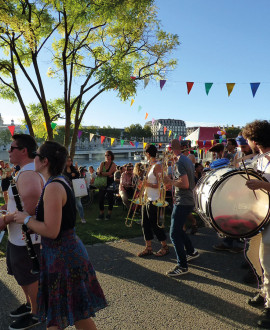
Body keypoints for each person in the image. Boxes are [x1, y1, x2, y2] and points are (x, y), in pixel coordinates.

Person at [14, 141, 107, 330]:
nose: (34, 158)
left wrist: (25, 220)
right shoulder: (57, 181)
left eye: (37, 155)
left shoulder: (53, 187)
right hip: (64, 253)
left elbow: (52, 230)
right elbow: (55, 223)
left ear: (45, 161)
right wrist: (34, 224)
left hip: (62, 257)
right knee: (74, 315)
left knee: (62, 316)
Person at [0, 134, 44, 330]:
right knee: (21, 274)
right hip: (17, 236)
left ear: (24, 151)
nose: (8, 151)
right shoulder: (22, 171)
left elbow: (33, 210)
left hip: (27, 237)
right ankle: (30, 304)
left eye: (12, 148)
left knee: (29, 276)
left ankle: (37, 313)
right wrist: (6, 212)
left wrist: (5, 219)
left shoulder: (28, 173)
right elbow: (19, 203)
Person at [241, 120, 270, 328]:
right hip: (264, 215)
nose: (247, 142)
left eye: (248, 139)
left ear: (255, 139)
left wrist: (260, 184)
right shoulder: (260, 158)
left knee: (267, 261)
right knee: (258, 257)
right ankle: (265, 292)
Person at [164, 139, 199, 276]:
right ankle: (191, 251)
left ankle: (182, 266)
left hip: (183, 201)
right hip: (186, 199)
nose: (167, 153)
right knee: (179, 230)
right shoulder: (186, 160)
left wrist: (169, 181)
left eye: (168, 150)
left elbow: (184, 184)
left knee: (174, 234)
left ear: (172, 149)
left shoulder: (179, 162)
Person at [137, 144, 169, 258]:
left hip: (155, 199)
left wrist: (147, 184)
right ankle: (148, 247)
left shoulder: (158, 166)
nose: (145, 155)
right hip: (147, 198)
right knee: (144, 224)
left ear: (148, 154)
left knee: (156, 225)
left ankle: (165, 246)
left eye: (145, 153)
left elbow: (160, 184)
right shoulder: (150, 165)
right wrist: (143, 185)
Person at [63, 157, 86, 224]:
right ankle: (70, 219)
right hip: (67, 188)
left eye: (70, 161)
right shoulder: (62, 169)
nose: (69, 162)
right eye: (68, 161)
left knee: (79, 204)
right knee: (68, 204)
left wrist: (76, 171)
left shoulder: (73, 168)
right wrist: (71, 175)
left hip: (75, 188)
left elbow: (77, 175)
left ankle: (82, 218)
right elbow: (64, 177)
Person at [96, 150, 117, 221]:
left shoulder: (113, 164)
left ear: (111, 156)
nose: (107, 156)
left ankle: (109, 214)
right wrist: (106, 173)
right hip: (102, 182)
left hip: (110, 183)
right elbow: (99, 173)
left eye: (108, 155)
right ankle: (101, 213)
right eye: (105, 155)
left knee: (110, 198)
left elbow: (109, 173)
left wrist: (102, 172)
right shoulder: (102, 163)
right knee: (100, 198)